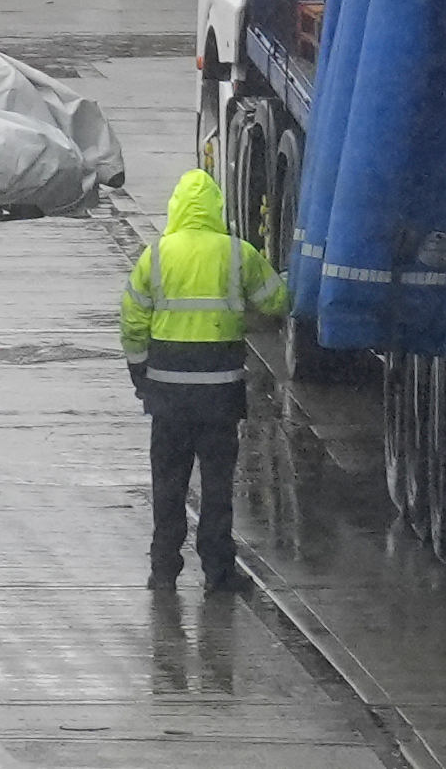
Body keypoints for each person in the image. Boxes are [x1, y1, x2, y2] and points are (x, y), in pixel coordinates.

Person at [122, 169, 289, 594]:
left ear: (176, 207)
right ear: (216, 208)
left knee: (169, 483)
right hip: (219, 394)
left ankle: (163, 570)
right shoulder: (237, 253)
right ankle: (218, 571)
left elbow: (132, 321)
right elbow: (276, 300)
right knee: (217, 485)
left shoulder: (155, 255)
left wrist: (139, 372)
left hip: (168, 395)